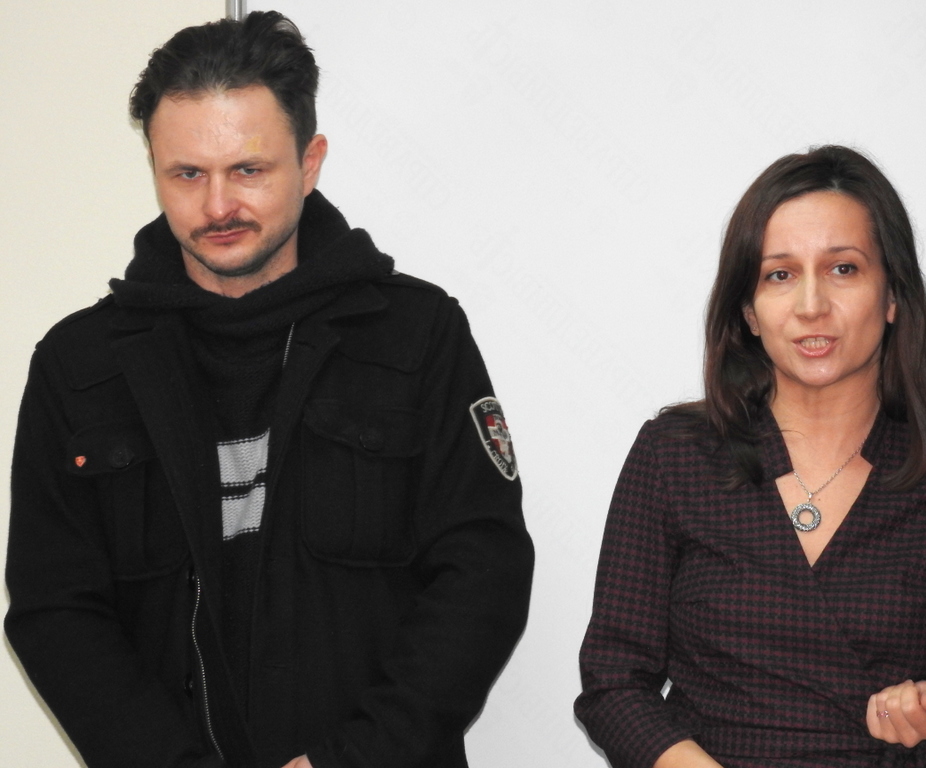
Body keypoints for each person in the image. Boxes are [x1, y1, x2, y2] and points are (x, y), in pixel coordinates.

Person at [5, 11, 533, 768]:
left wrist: (353, 759)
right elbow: (56, 609)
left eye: (248, 170)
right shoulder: (78, 366)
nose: (218, 205)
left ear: (310, 162)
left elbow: (483, 572)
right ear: (154, 167)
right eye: (188, 174)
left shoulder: (416, 335)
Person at [574, 145, 926, 767]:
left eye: (843, 269)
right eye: (780, 275)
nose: (812, 305)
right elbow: (613, 681)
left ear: (892, 296)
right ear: (749, 311)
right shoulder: (675, 455)